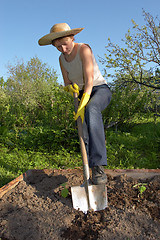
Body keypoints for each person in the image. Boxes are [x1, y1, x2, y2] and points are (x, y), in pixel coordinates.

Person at [38, 23, 112, 185]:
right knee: (84, 130)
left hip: (99, 90)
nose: (63, 49)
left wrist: (84, 101)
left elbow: (90, 79)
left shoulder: (84, 49)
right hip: (80, 94)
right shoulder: (61, 59)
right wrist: (71, 89)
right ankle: (90, 170)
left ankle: (98, 167)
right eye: (58, 47)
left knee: (92, 109)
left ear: (72, 38)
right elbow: (67, 83)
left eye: (65, 44)